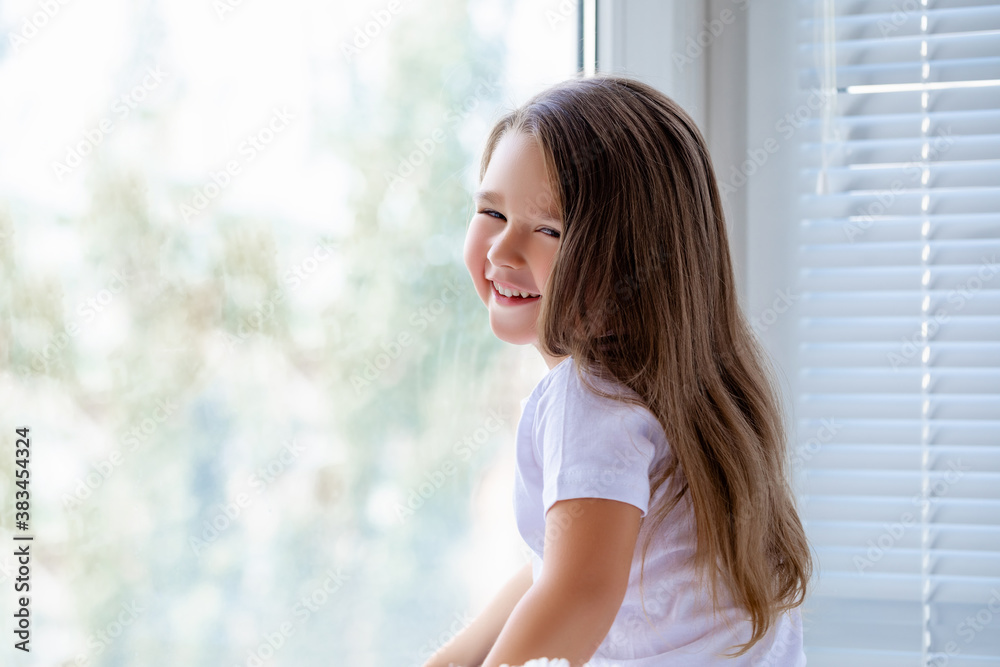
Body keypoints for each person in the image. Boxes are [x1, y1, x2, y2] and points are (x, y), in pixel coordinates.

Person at [424, 73, 812, 667]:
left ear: (635, 256)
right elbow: (554, 572)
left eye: (549, 229)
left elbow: (574, 595)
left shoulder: (590, 400)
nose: (503, 250)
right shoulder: (690, 389)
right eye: (491, 212)